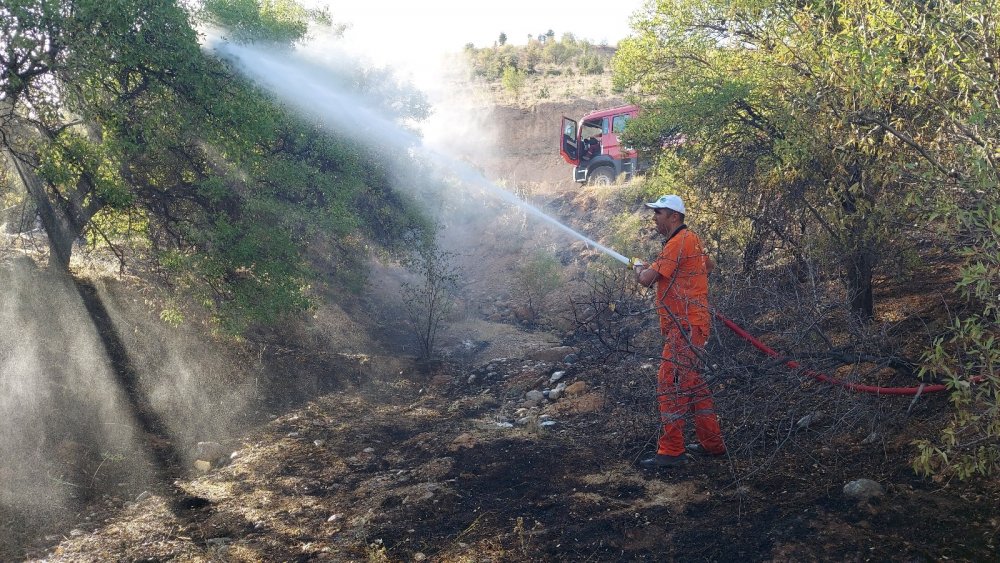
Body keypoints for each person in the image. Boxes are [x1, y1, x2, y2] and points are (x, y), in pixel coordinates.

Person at [633, 194, 726, 469]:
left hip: (685, 327)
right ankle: (713, 444)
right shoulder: (691, 239)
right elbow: (708, 266)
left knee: (669, 382)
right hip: (693, 324)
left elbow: (646, 280)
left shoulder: (676, 243)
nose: (654, 218)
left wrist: (639, 267)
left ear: (674, 216)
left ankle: (672, 451)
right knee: (693, 383)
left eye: (658, 213)